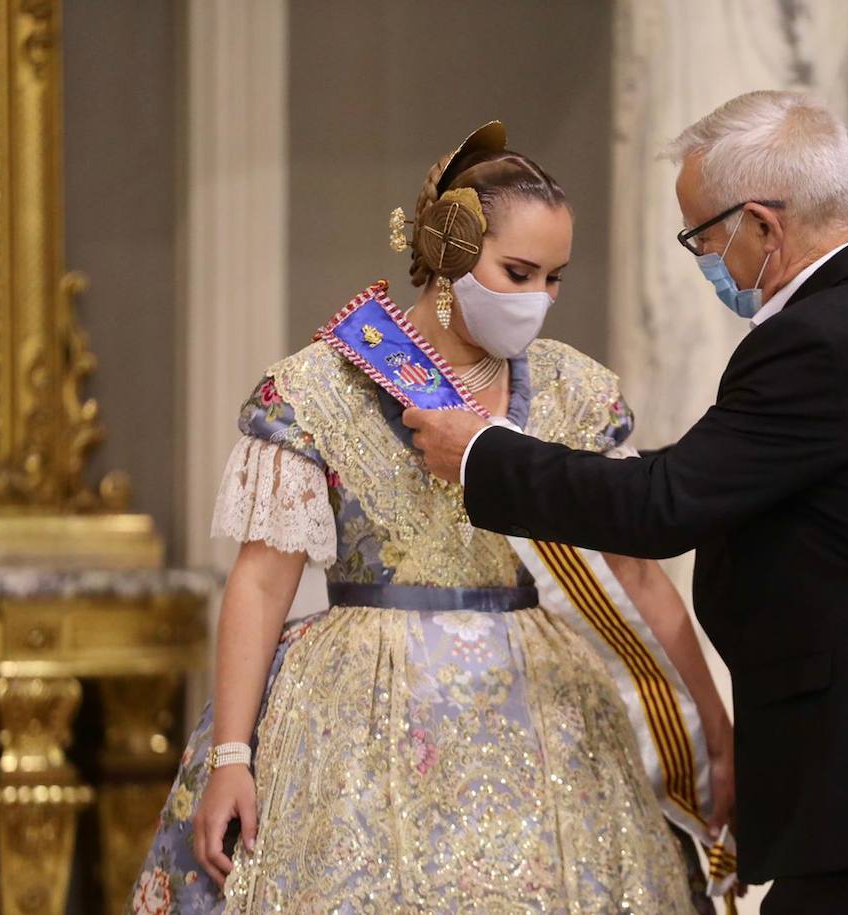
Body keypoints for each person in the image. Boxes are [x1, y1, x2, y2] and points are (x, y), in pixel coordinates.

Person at [406, 91, 848, 913]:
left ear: (762, 226)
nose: (706, 260)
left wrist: (481, 454)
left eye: (702, 238)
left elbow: (664, 504)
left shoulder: (823, 337)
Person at [126, 122, 735, 915]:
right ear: (449, 253)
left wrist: (714, 729)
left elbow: (637, 577)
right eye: (518, 271)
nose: (540, 300)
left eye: (555, 278)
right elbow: (261, 582)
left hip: (544, 708)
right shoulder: (322, 386)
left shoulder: (572, 391)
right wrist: (233, 756)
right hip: (357, 720)